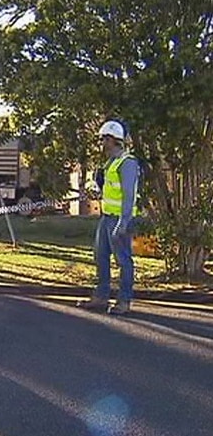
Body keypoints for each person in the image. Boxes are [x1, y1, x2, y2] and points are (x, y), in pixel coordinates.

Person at [77, 120, 140, 315]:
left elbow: (129, 195)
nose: (102, 143)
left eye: (104, 139)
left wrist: (124, 221)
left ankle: (124, 301)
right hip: (106, 217)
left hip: (120, 219)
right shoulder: (110, 163)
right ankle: (101, 298)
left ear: (114, 140)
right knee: (101, 256)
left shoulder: (127, 163)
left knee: (123, 260)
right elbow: (112, 190)